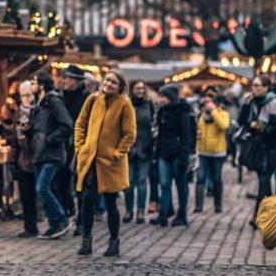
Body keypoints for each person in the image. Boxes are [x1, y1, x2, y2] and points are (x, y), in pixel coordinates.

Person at [73, 70, 135, 257]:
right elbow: (80, 124)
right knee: (87, 200)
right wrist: (80, 147)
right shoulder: (93, 100)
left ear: (120, 87)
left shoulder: (124, 104)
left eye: (113, 82)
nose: (108, 84)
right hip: (90, 159)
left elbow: (129, 134)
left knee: (110, 204)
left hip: (110, 163)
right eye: (107, 80)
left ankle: (114, 242)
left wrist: (117, 153)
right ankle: (86, 241)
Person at [29, 72, 74, 239]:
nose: (31, 85)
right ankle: (53, 225)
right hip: (39, 152)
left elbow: (67, 125)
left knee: (42, 187)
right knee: (43, 189)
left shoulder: (54, 102)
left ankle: (62, 219)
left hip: (52, 152)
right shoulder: (38, 104)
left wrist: (50, 139)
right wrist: (28, 131)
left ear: (41, 85)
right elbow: (38, 128)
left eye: (33, 82)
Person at [240, 76, 276, 224]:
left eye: (259, 86)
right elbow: (241, 122)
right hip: (258, 149)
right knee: (263, 183)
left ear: (266, 88)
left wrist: (263, 128)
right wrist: (245, 106)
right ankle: (266, 216)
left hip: (273, 149)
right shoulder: (252, 102)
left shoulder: (274, 103)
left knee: (265, 182)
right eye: (253, 85)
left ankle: (259, 217)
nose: (255, 88)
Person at [153, 83, 195, 226]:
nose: (161, 99)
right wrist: (157, 153)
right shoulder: (161, 111)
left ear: (170, 97)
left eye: (164, 96)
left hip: (178, 153)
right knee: (164, 184)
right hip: (164, 153)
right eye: (160, 96)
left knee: (181, 184)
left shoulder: (182, 111)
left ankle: (182, 215)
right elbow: (160, 135)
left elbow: (186, 135)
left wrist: (184, 155)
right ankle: (163, 214)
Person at [3, 80, 37, 238]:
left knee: (42, 192)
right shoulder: (18, 114)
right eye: (23, 95)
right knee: (25, 195)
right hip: (23, 159)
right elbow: (14, 140)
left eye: (28, 95)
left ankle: (55, 221)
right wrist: (13, 160)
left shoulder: (38, 112)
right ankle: (30, 227)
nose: (26, 99)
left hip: (37, 158)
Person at [59, 65, 89, 233]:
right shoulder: (62, 98)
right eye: (65, 78)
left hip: (80, 147)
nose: (65, 82)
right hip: (64, 147)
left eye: (69, 79)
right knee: (62, 184)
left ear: (77, 81)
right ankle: (68, 214)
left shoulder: (86, 98)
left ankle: (82, 222)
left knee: (80, 186)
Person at [124, 80, 155, 224]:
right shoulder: (126, 104)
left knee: (142, 181)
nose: (140, 91)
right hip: (128, 149)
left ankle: (141, 211)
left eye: (142, 88)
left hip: (145, 148)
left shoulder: (149, 105)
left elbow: (154, 125)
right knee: (128, 182)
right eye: (137, 88)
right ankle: (129, 210)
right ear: (132, 89)